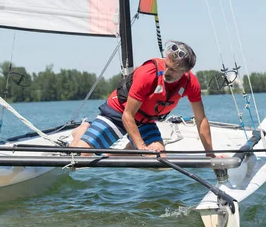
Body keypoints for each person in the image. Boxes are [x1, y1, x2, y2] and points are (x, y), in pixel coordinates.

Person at [69, 41, 217, 157]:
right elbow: (128, 115)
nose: (166, 72)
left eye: (172, 70)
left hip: (144, 121)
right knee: (80, 157)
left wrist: (210, 154)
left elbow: (201, 119)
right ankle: (82, 130)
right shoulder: (148, 73)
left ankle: (114, 154)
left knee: (159, 158)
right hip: (118, 113)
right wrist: (141, 147)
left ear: (185, 72)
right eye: (166, 65)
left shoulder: (191, 83)